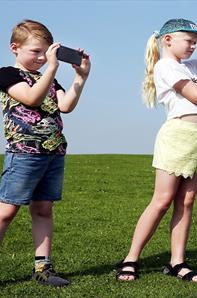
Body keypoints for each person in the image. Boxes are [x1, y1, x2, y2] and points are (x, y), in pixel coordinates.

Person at [116, 18, 197, 282]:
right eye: (189, 41)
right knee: (161, 201)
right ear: (168, 40)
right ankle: (131, 259)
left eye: (195, 43)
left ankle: (177, 262)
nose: (193, 47)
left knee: (186, 201)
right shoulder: (166, 67)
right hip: (179, 136)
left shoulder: (187, 66)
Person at [0, 19, 91, 287]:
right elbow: (31, 99)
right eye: (35, 52)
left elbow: (65, 106)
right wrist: (52, 67)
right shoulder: (7, 74)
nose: (41, 58)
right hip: (24, 153)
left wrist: (80, 78)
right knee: (6, 211)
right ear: (14, 48)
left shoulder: (49, 77)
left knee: (43, 209)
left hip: (52, 152)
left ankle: (43, 268)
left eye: (46, 52)